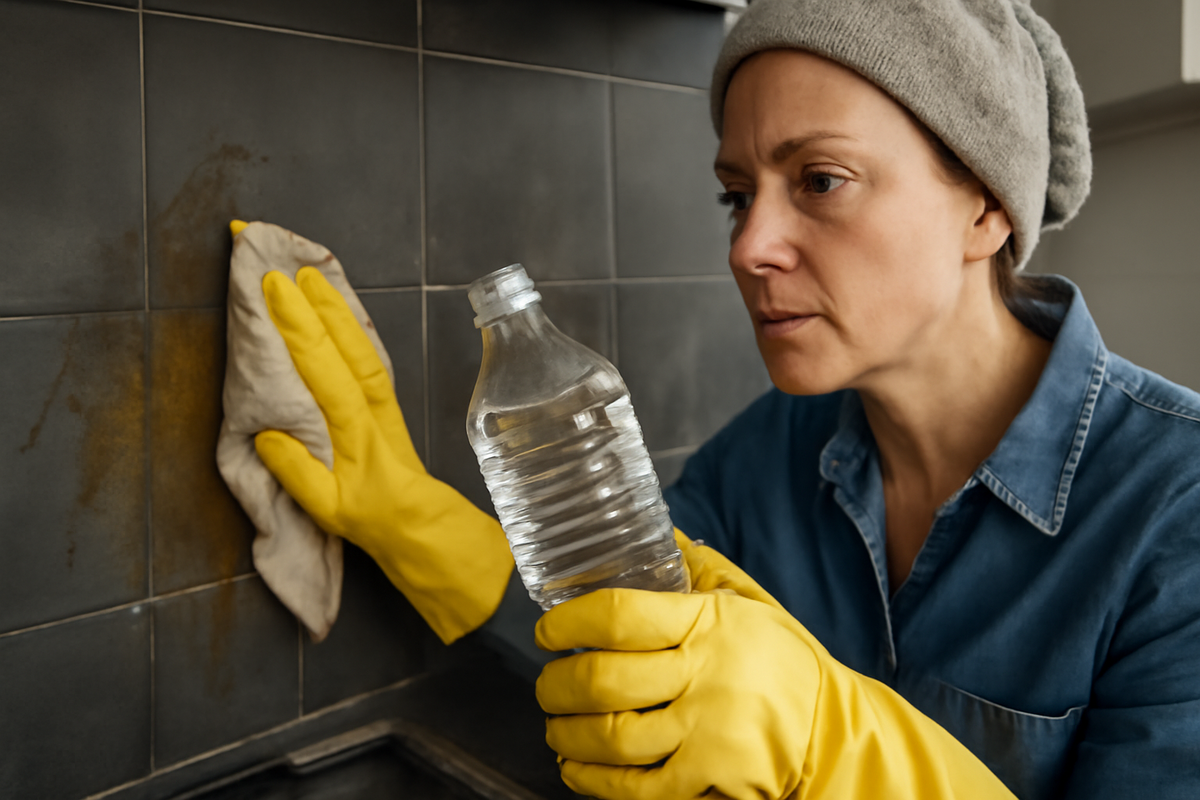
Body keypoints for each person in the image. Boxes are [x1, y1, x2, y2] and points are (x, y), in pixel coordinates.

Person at [252, 1, 1200, 798]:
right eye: (736, 195)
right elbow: (625, 639)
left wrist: (829, 742)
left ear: (986, 209)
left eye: (820, 180)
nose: (750, 247)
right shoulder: (768, 458)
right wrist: (415, 522)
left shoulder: (1177, 506)